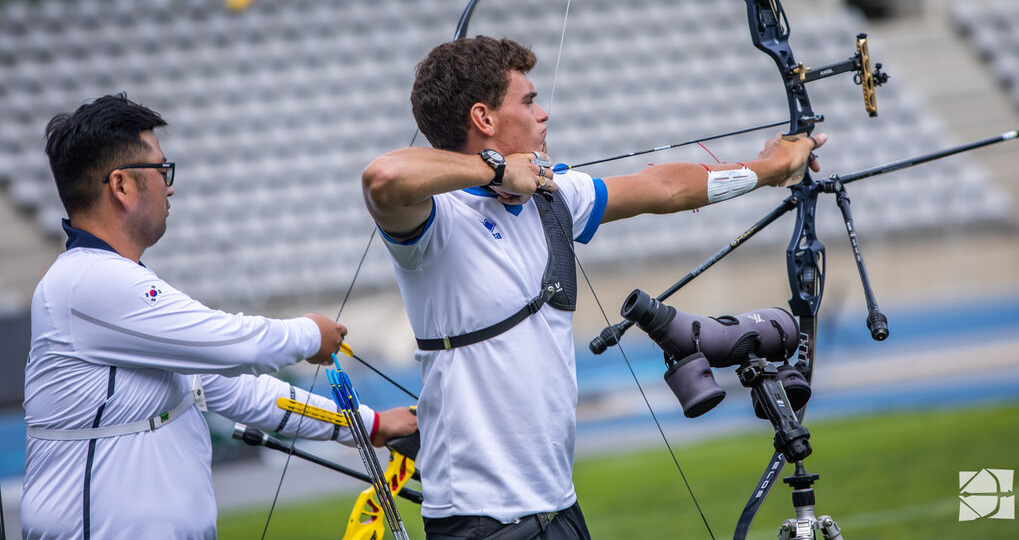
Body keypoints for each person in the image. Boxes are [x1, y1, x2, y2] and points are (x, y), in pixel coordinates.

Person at [362, 36, 825, 540]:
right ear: (484, 118)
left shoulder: (551, 196)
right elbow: (383, 177)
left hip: (560, 508)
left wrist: (772, 168)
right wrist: (497, 167)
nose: (543, 114)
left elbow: (666, 187)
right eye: (528, 100)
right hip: (480, 521)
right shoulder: (437, 222)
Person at [22, 93, 417, 540]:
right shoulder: (89, 283)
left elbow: (238, 391)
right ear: (122, 186)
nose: (169, 186)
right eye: (161, 170)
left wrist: (372, 425)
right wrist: (310, 334)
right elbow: (234, 344)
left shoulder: (112, 285)